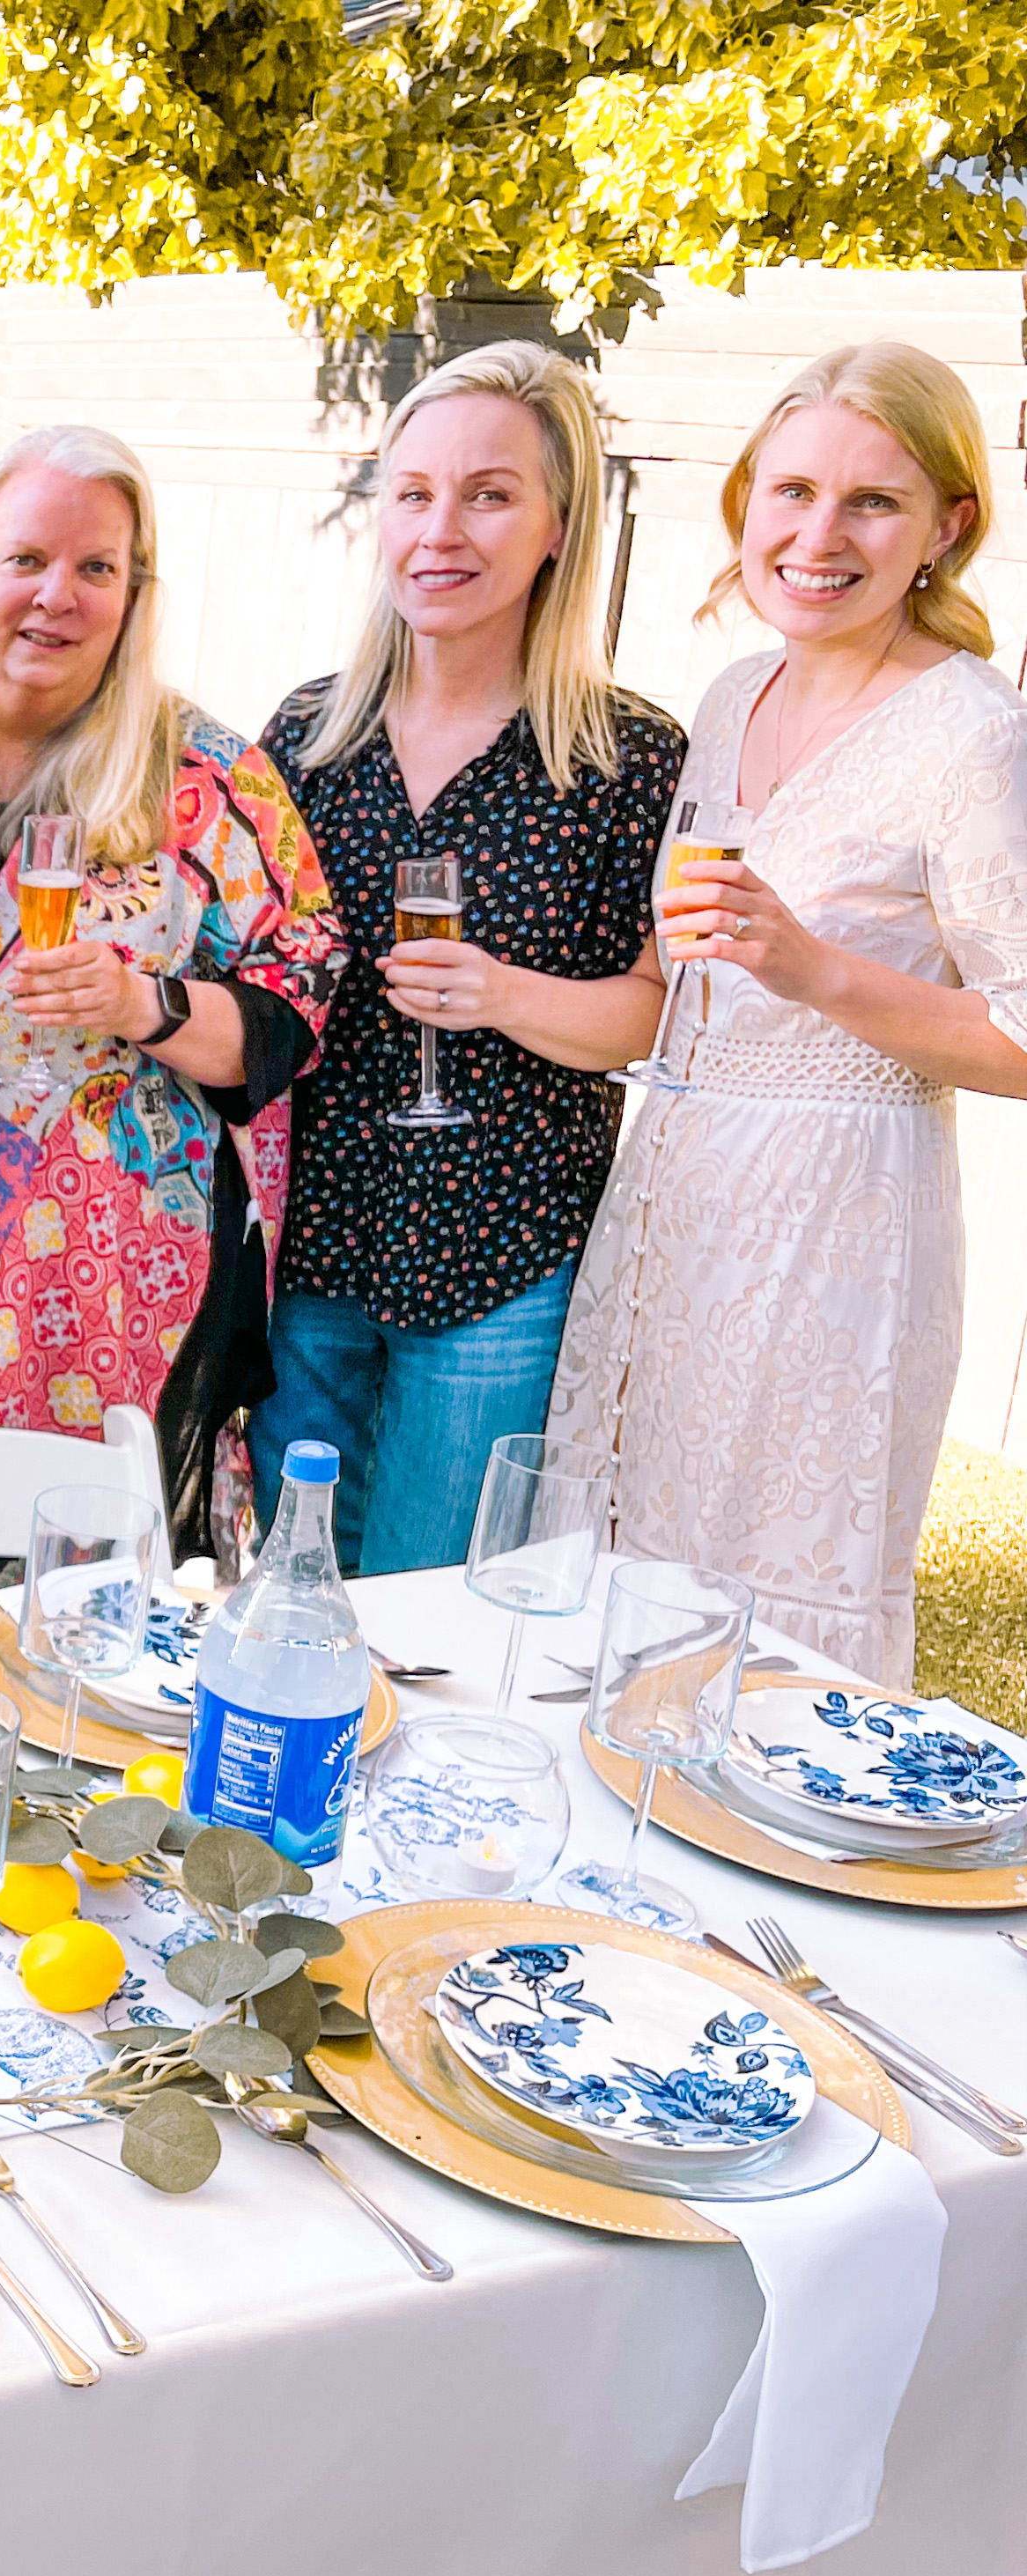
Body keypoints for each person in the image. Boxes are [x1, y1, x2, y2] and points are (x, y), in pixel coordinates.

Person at [549, 341, 1027, 1683]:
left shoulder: (971, 735)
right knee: (618, 1587)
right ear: (748, 499)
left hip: (838, 1227)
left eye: (874, 502)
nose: (820, 536)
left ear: (948, 528)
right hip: (675, 1199)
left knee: (767, 1631)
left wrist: (818, 971)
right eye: (794, 491)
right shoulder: (729, 697)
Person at [0, 424, 343, 1601]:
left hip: (115, 1287)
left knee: (91, 1622)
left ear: (136, 596)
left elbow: (299, 999)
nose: (59, 596)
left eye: (98, 569)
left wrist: (147, 1003)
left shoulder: (202, 776)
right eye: (28, 560)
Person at [254, 342, 687, 1572]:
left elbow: (657, 1014)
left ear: (560, 527)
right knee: (289, 1587)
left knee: (424, 1603)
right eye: (413, 493)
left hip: (502, 1258)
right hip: (311, 1243)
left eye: (489, 495)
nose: (440, 530)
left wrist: (501, 994)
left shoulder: (627, 760)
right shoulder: (308, 734)